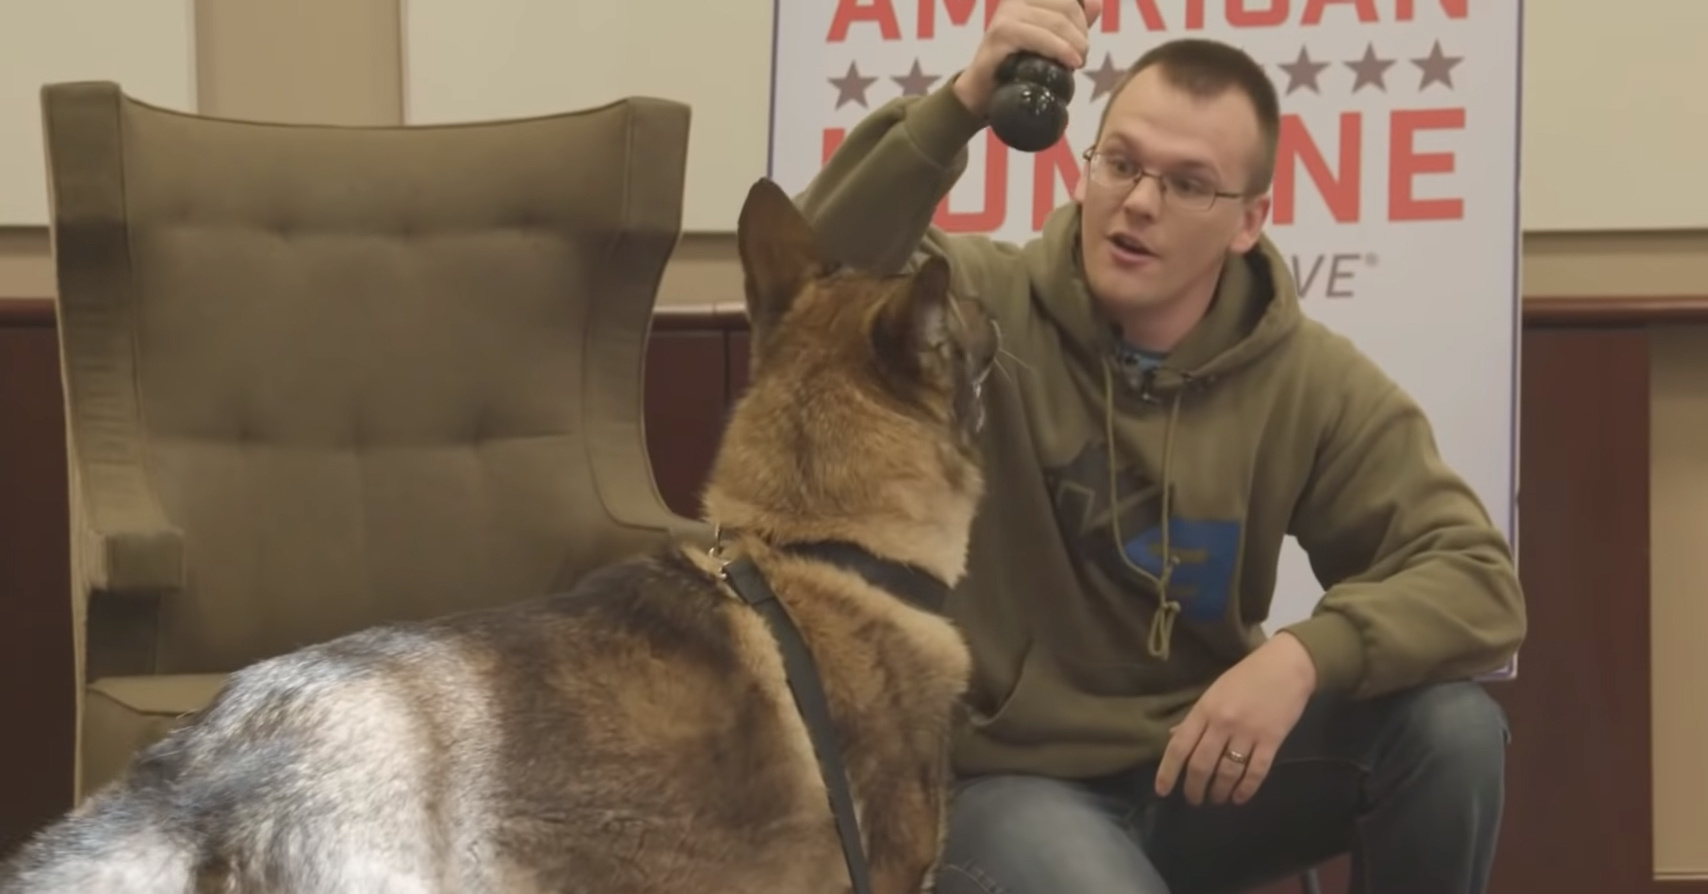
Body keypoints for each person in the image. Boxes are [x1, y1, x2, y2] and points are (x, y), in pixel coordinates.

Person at [792, 1, 1528, 892]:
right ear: (1085, 169)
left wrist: (1301, 657)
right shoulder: (982, 308)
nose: (1138, 201)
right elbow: (809, 280)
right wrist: (959, 104)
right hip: (1013, 784)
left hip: (1205, 770)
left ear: (1250, 219)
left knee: (1450, 731)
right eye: (1122, 163)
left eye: (1187, 184)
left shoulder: (1308, 380)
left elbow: (1477, 579)